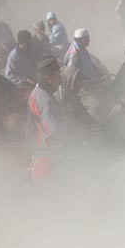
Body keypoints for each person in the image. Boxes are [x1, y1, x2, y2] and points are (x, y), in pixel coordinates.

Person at [27, 57, 73, 185]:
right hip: (51, 153)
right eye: (58, 74)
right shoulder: (45, 99)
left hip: (43, 150)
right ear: (48, 78)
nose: (60, 78)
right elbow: (53, 130)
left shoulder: (35, 93)